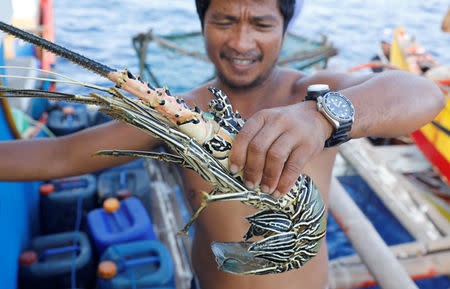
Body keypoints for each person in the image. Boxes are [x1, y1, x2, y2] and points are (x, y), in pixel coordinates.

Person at [0, 0, 446, 288]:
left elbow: (420, 93)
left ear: (284, 29)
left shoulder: (312, 95)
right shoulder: (175, 114)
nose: (241, 40)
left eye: (262, 23)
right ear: (203, 24)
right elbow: (59, 153)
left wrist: (321, 116)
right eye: (225, 20)